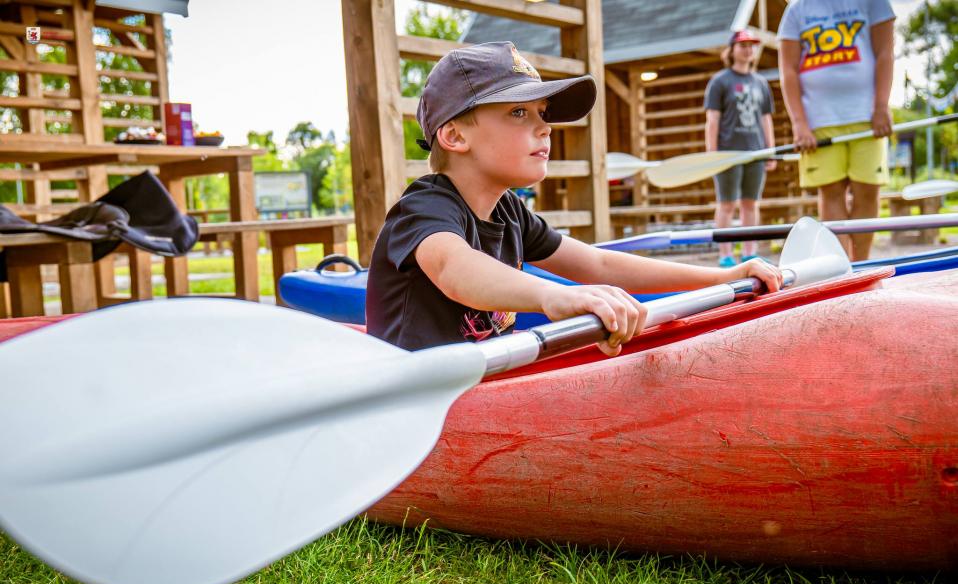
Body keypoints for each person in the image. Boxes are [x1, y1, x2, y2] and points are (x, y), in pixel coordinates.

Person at [366, 41, 783, 356]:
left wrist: (722, 277)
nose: (545, 128)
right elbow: (453, 268)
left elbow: (597, 263)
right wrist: (556, 295)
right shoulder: (424, 206)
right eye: (518, 113)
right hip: (413, 411)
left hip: (475, 390)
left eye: (541, 113)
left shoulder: (510, 211)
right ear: (454, 136)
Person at [778, 0, 895, 260]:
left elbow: (885, 53)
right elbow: (788, 70)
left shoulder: (873, 3)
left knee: (867, 189)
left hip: (866, 118)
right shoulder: (797, 11)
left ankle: (861, 263)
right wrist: (799, 123)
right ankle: (843, 271)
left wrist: (881, 106)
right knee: (831, 194)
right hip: (818, 121)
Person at [704, 30, 777, 267]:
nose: (748, 49)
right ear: (732, 49)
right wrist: (712, 154)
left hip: (755, 152)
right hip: (728, 153)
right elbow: (712, 119)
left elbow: (766, 119)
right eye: (743, 45)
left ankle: (749, 253)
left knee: (750, 204)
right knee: (726, 204)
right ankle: (725, 255)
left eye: (752, 45)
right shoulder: (720, 81)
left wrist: (770, 149)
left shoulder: (760, 83)